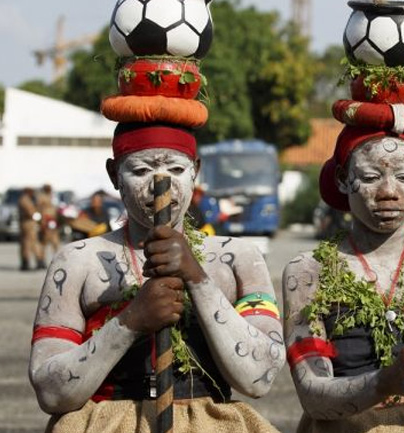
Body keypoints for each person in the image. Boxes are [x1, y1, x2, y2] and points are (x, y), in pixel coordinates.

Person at [29, 123, 284, 432]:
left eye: (176, 168)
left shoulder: (239, 258)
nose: (159, 184)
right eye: (139, 171)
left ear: (196, 170)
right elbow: (51, 393)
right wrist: (131, 321)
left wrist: (196, 277)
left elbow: (259, 378)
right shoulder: (75, 261)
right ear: (114, 174)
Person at [282, 130, 404, 431]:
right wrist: (385, 381)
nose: (389, 191)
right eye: (371, 177)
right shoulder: (309, 272)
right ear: (342, 179)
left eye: (403, 177)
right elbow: (312, 397)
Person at [18, 187, 44, 271]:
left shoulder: (28, 199)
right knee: (28, 243)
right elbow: (30, 212)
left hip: (29, 223)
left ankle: (37, 261)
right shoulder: (25, 200)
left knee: (30, 243)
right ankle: (28, 262)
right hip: (28, 223)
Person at [36, 184, 61, 262]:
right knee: (44, 242)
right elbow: (40, 209)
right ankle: (41, 259)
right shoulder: (41, 197)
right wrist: (42, 222)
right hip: (46, 221)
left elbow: (55, 209)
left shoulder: (52, 196)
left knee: (55, 242)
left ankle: (59, 259)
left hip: (53, 222)